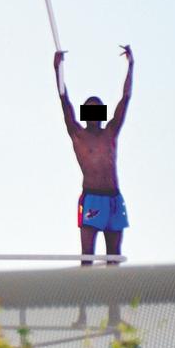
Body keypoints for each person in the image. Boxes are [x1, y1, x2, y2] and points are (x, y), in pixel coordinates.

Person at [54, 47, 133, 267]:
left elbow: (125, 99)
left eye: (97, 109)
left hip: (114, 198)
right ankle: (84, 301)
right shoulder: (78, 135)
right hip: (92, 198)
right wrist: (58, 69)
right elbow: (64, 100)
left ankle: (113, 301)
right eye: (90, 109)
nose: (94, 113)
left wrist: (131, 66)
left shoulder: (110, 132)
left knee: (114, 257)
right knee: (87, 255)